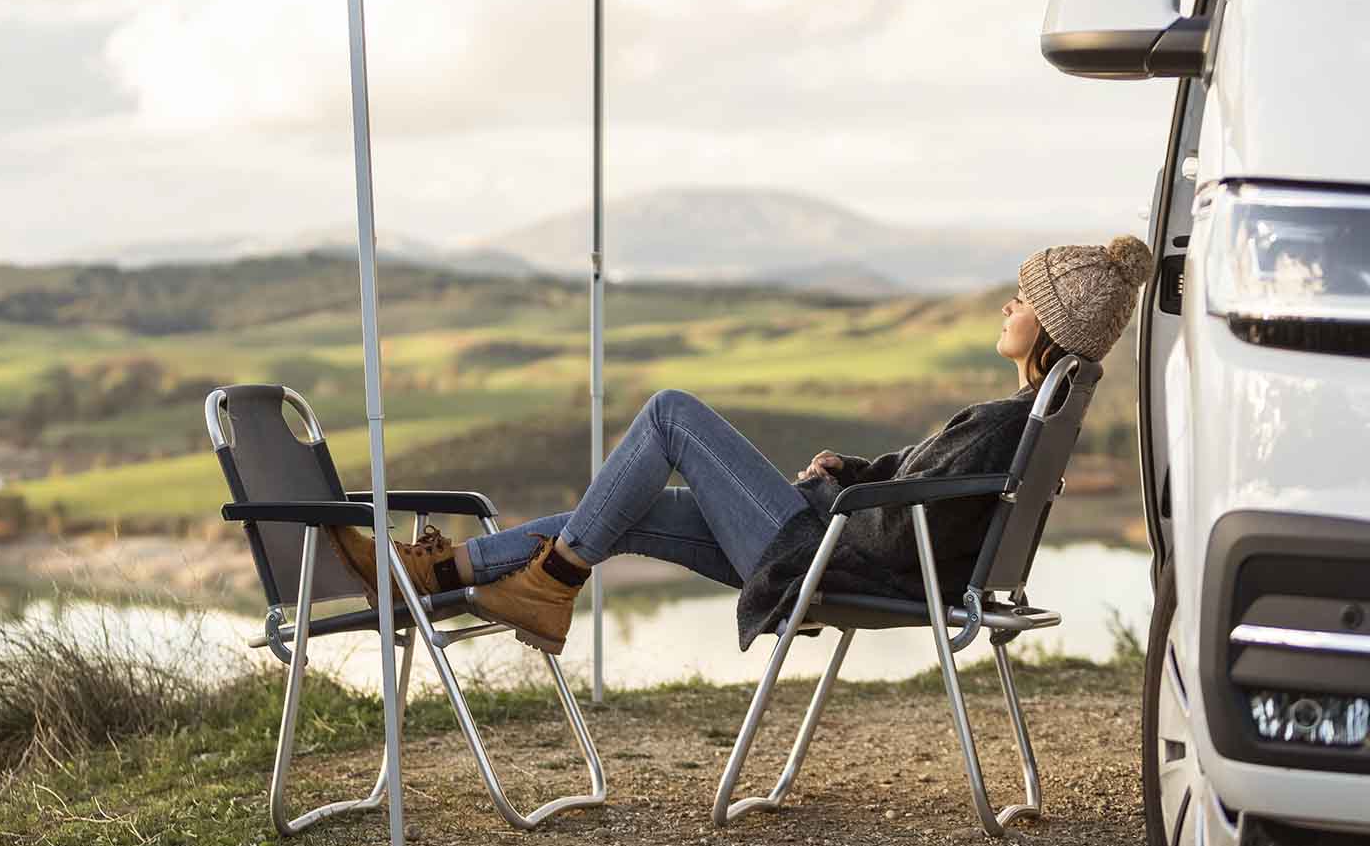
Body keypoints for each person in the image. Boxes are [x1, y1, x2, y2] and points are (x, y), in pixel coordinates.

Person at [328, 235, 1154, 655]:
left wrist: (838, 496)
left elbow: (905, 527)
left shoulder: (1006, 422)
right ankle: (440, 573)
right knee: (624, 507)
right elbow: (919, 495)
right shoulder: (1027, 418)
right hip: (832, 537)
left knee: (670, 414)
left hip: (823, 551)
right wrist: (853, 470)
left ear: (1049, 324)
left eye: (1019, 298)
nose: (1004, 306)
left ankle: (552, 581)